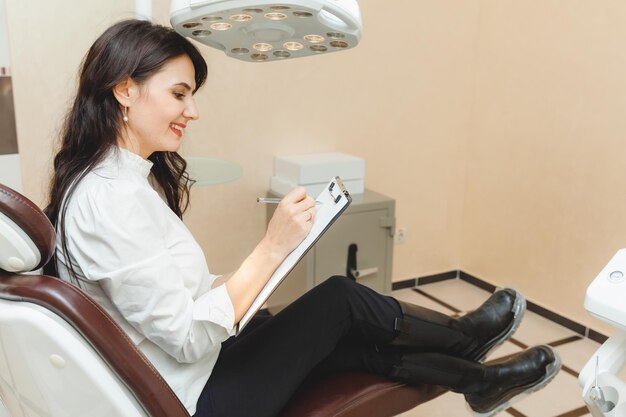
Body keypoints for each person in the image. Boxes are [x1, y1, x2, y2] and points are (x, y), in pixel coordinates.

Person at [44, 19, 560, 417]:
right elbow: (186, 337)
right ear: (124, 90)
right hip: (193, 395)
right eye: (179, 94)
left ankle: (479, 381)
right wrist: (270, 249)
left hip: (185, 372)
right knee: (336, 302)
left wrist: (250, 278)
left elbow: (161, 300)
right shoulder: (108, 200)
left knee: (345, 340)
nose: (192, 112)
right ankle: (464, 338)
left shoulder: (115, 182)